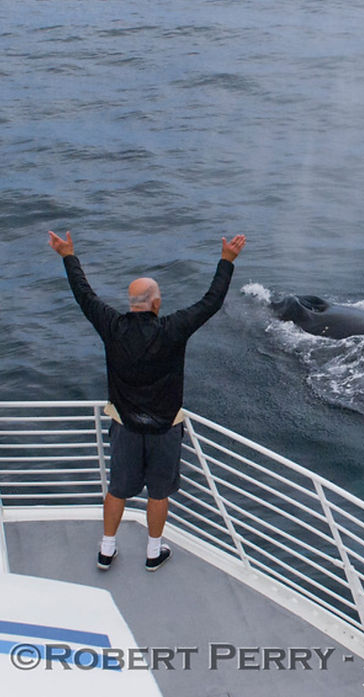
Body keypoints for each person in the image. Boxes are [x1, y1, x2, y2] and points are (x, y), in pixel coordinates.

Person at [48, 229, 246, 572]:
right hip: (163, 430)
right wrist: (227, 260)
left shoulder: (112, 326)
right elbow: (210, 302)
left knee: (117, 490)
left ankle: (106, 549)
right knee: (158, 494)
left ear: (131, 303)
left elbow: (84, 294)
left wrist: (68, 254)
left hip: (125, 427)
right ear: (156, 303)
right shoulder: (172, 329)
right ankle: (154, 551)